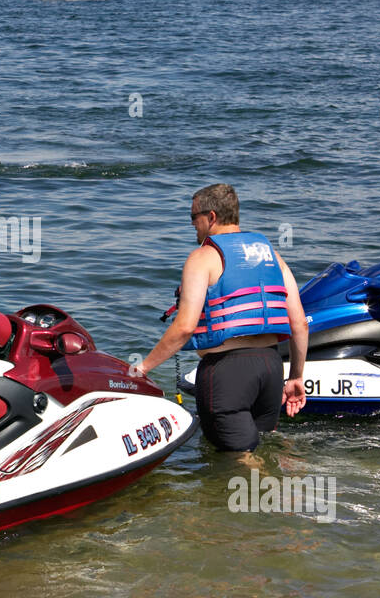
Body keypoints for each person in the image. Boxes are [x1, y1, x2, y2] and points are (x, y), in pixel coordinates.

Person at [132, 184, 309, 452]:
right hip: (272, 370)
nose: (192, 224)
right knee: (261, 453)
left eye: (194, 217)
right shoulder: (271, 254)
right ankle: (286, 491)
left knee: (237, 461)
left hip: (227, 374)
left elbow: (184, 328)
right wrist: (296, 377)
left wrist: (143, 368)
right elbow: (299, 324)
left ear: (211, 216)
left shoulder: (203, 257)